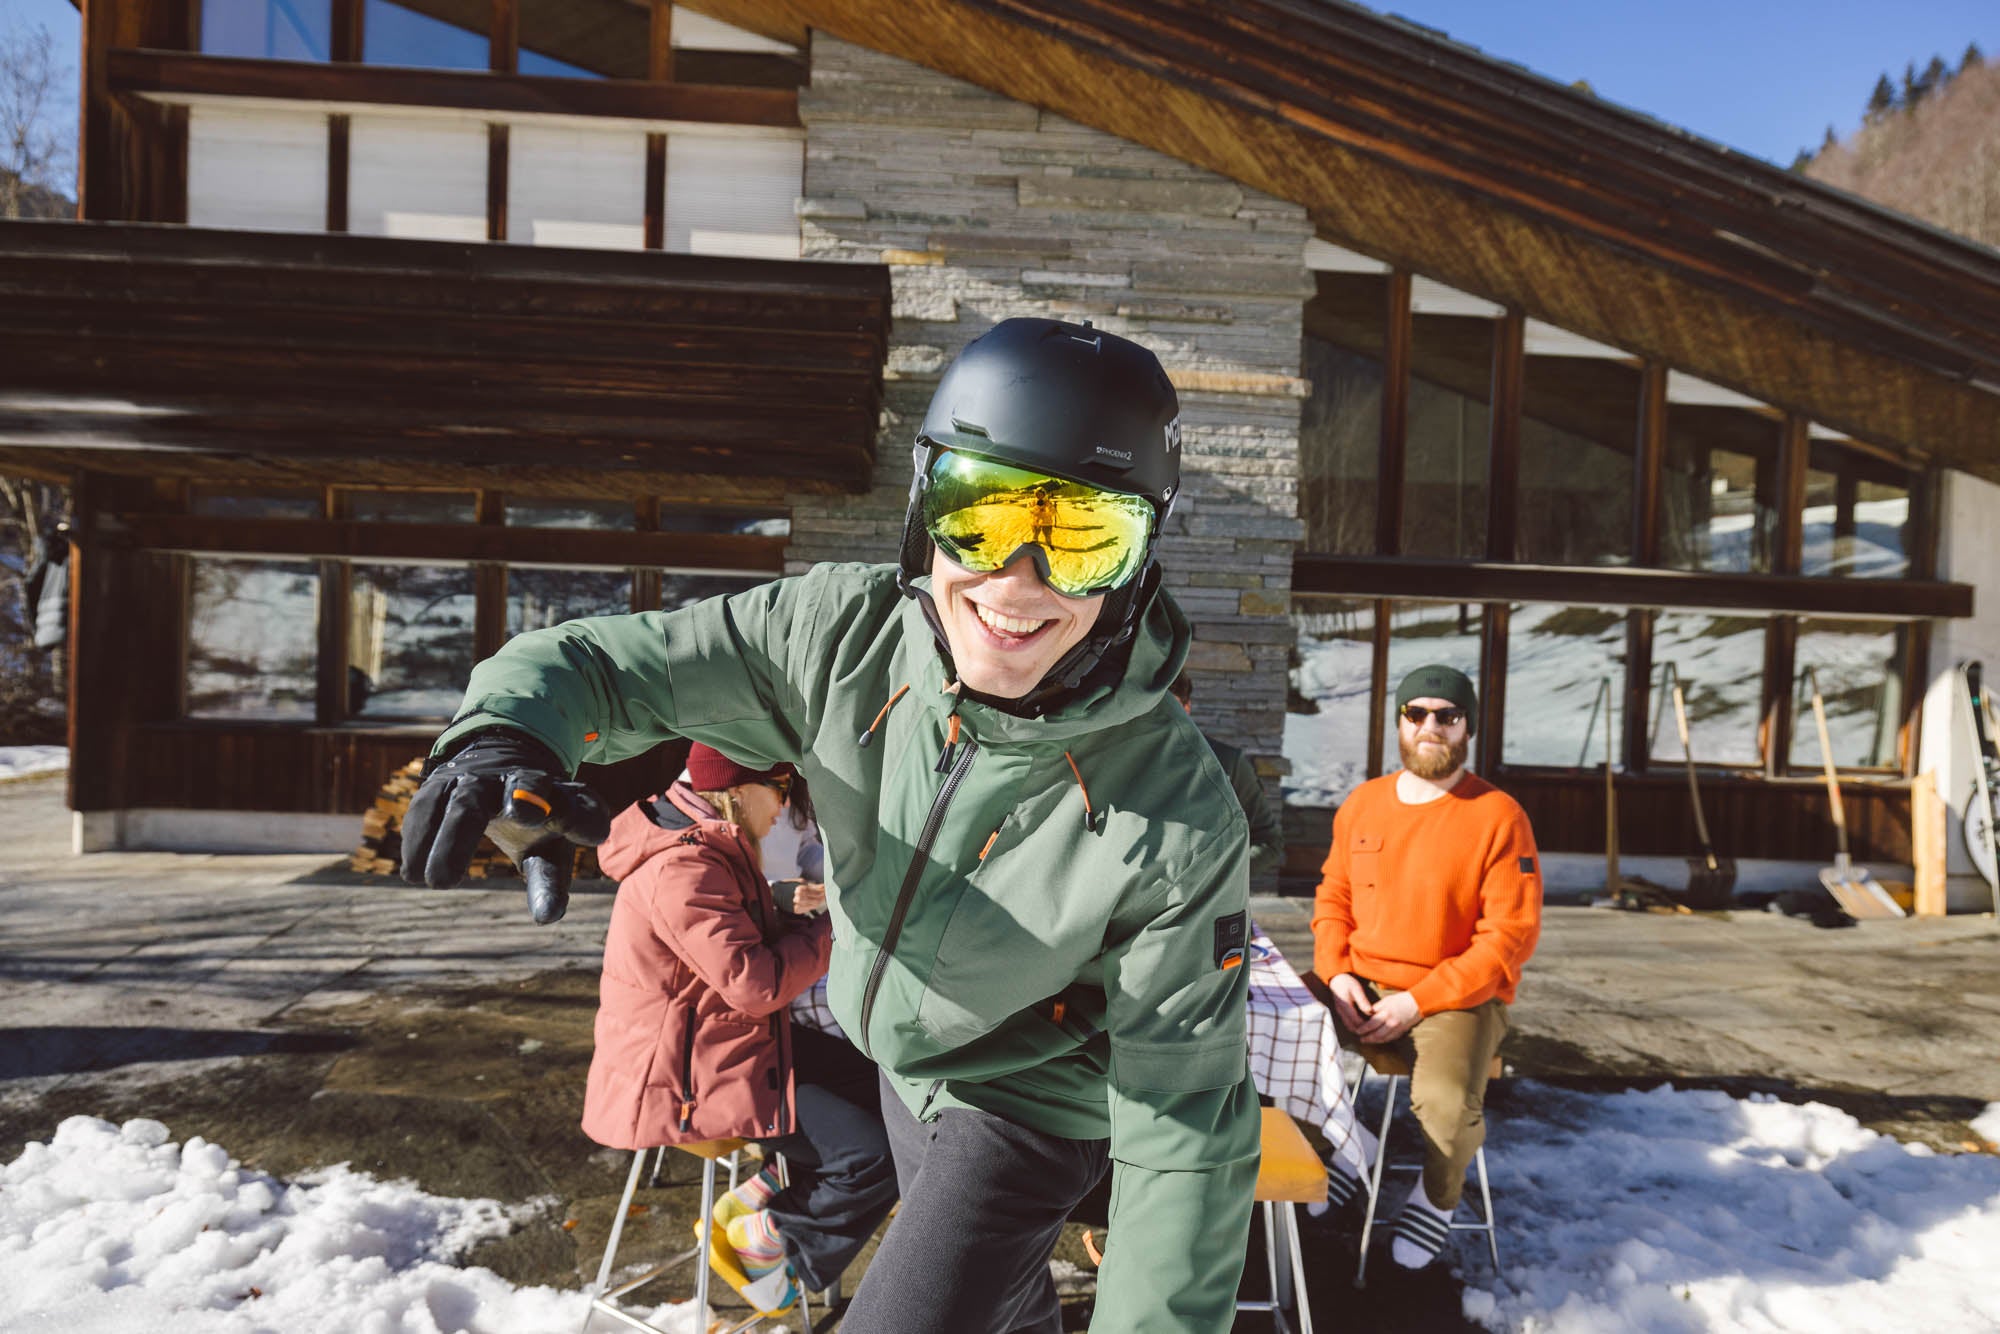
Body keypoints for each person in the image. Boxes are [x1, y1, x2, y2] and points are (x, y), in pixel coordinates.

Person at [400, 317, 1260, 1333]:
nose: (1018, 582)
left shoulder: (1174, 814)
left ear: (1139, 559)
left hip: (1026, 1104)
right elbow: (617, 664)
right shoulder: (840, 640)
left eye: (1082, 536)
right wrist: (507, 731)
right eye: (976, 515)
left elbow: (1183, 1124)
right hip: (897, 1058)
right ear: (919, 502)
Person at [583, 744, 895, 1314]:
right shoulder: (684, 865)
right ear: (735, 792)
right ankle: (776, 1247)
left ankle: (765, 1195)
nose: (781, 807)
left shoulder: (710, 845)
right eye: (777, 790)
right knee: (873, 1155)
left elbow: (739, 945)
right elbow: (754, 984)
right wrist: (839, 929)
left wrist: (789, 910)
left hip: (729, 1047)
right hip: (685, 1079)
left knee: (890, 1093)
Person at [1311, 664, 1542, 1271]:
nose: (1431, 726)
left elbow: (1508, 938)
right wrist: (1335, 973)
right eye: (1417, 714)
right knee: (1247, 1033)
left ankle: (1437, 1196)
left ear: (1467, 727)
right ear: (1399, 723)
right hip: (1358, 981)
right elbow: (1333, 896)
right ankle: (1347, 1143)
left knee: (1442, 1103)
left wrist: (1417, 1001)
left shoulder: (1499, 816)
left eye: (1447, 715)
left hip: (1457, 994)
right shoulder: (1363, 804)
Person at [1168, 670, 1284, 876]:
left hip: (1209, 906)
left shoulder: (1226, 764)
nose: (1162, 720)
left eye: (1171, 708)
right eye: (1152, 711)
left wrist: (1217, 880)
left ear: (1187, 708)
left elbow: (1268, 842)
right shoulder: (1120, 762)